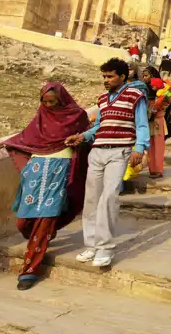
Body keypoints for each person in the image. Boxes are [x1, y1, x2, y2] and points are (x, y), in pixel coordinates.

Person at [0, 83, 90, 290]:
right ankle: (47, 233)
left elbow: (88, 138)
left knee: (46, 217)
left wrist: (79, 143)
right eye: (44, 101)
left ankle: (30, 270)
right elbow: (25, 137)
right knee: (23, 222)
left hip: (60, 170)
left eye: (52, 101)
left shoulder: (77, 115)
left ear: (61, 99)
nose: (48, 105)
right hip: (36, 171)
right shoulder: (42, 116)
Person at [64, 58, 149, 268]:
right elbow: (99, 126)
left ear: (122, 76)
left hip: (119, 152)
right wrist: (82, 136)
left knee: (109, 198)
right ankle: (91, 246)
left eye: (110, 76)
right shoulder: (102, 99)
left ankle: (105, 248)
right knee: (91, 199)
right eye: (104, 76)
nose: (106, 80)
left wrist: (139, 148)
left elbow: (141, 124)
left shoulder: (135, 95)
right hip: (98, 151)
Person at [141, 66, 171, 178]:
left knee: (158, 146)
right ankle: (151, 169)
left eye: (146, 76)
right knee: (149, 146)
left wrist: (158, 107)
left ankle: (158, 170)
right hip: (147, 120)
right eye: (143, 76)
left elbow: (169, 101)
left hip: (158, 120)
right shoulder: (144, 88)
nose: (144, 78)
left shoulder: (163, 89)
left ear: (153, 76)